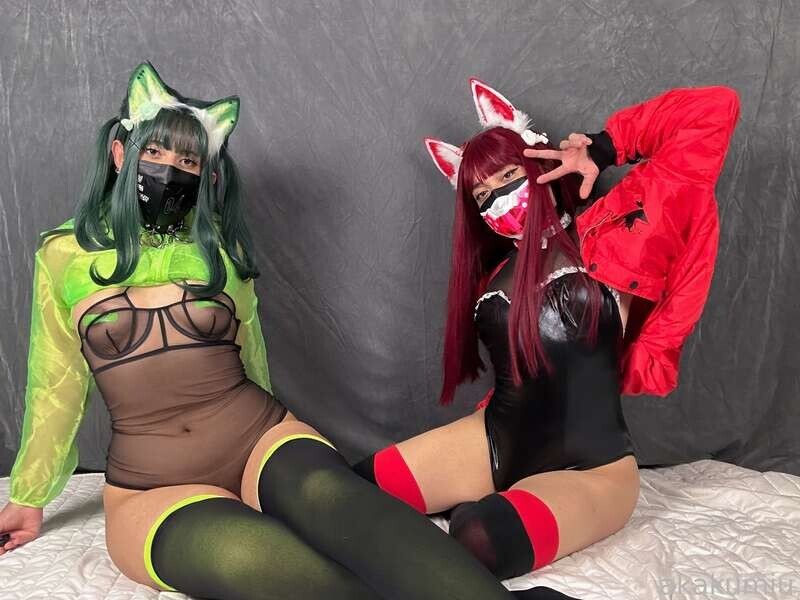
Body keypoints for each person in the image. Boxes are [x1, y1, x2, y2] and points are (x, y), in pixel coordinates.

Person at [0, 63, 580, 600]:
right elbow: (55, 385)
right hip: (152, 482)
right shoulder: (63, 255)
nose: (171, 171)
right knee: (254, 560)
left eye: (189, 162)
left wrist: (290, 491)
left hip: (260, 441)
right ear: (120, 153)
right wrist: (29, 496)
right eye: (155, 152)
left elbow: (250, 361)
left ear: (206, 175)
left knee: (345, 506)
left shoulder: (221, 253)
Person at [355, 78, 740, 581]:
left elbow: (715, 110)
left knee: (478, 538)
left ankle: (482, 511)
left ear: (538, 163)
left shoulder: (616, 235)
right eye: (482, 195)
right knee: (346, 492)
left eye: (508, 176)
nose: (498, 200)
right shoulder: (495, 273)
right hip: (492, 442)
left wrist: (604, 147)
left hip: (592, 466)